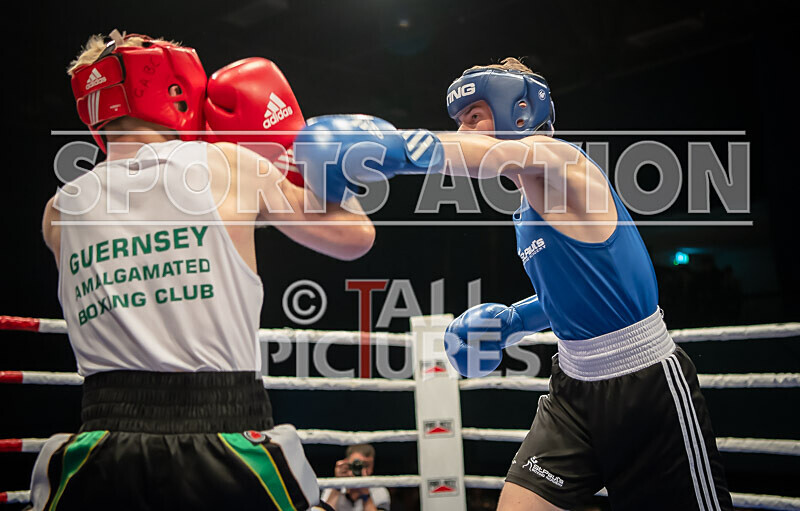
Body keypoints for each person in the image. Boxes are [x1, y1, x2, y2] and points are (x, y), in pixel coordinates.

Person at [295, 58, 733, 511]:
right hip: (572, 387)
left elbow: (494, 156)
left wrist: (397, 146)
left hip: (644, 383)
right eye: (459, 122)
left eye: (474, 117)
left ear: (519, 114)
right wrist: (514, 321)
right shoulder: (525, 209)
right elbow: (583, 289)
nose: (463, 132)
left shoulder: (561, 160)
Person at [35, 30, 375, 510]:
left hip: (101, 449)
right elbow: (355, 237)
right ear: (174, 85)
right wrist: (291, 146)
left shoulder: (58, 211)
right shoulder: (228, 165)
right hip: (226, 435)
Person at [322, 444, 390, 511]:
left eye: (366, 466)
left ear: (372, 468)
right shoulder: (331, 489)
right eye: (357, 465)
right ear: (346, 464)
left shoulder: (379, 491)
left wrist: (366, 495)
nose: (362, 470)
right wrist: (337, 486)